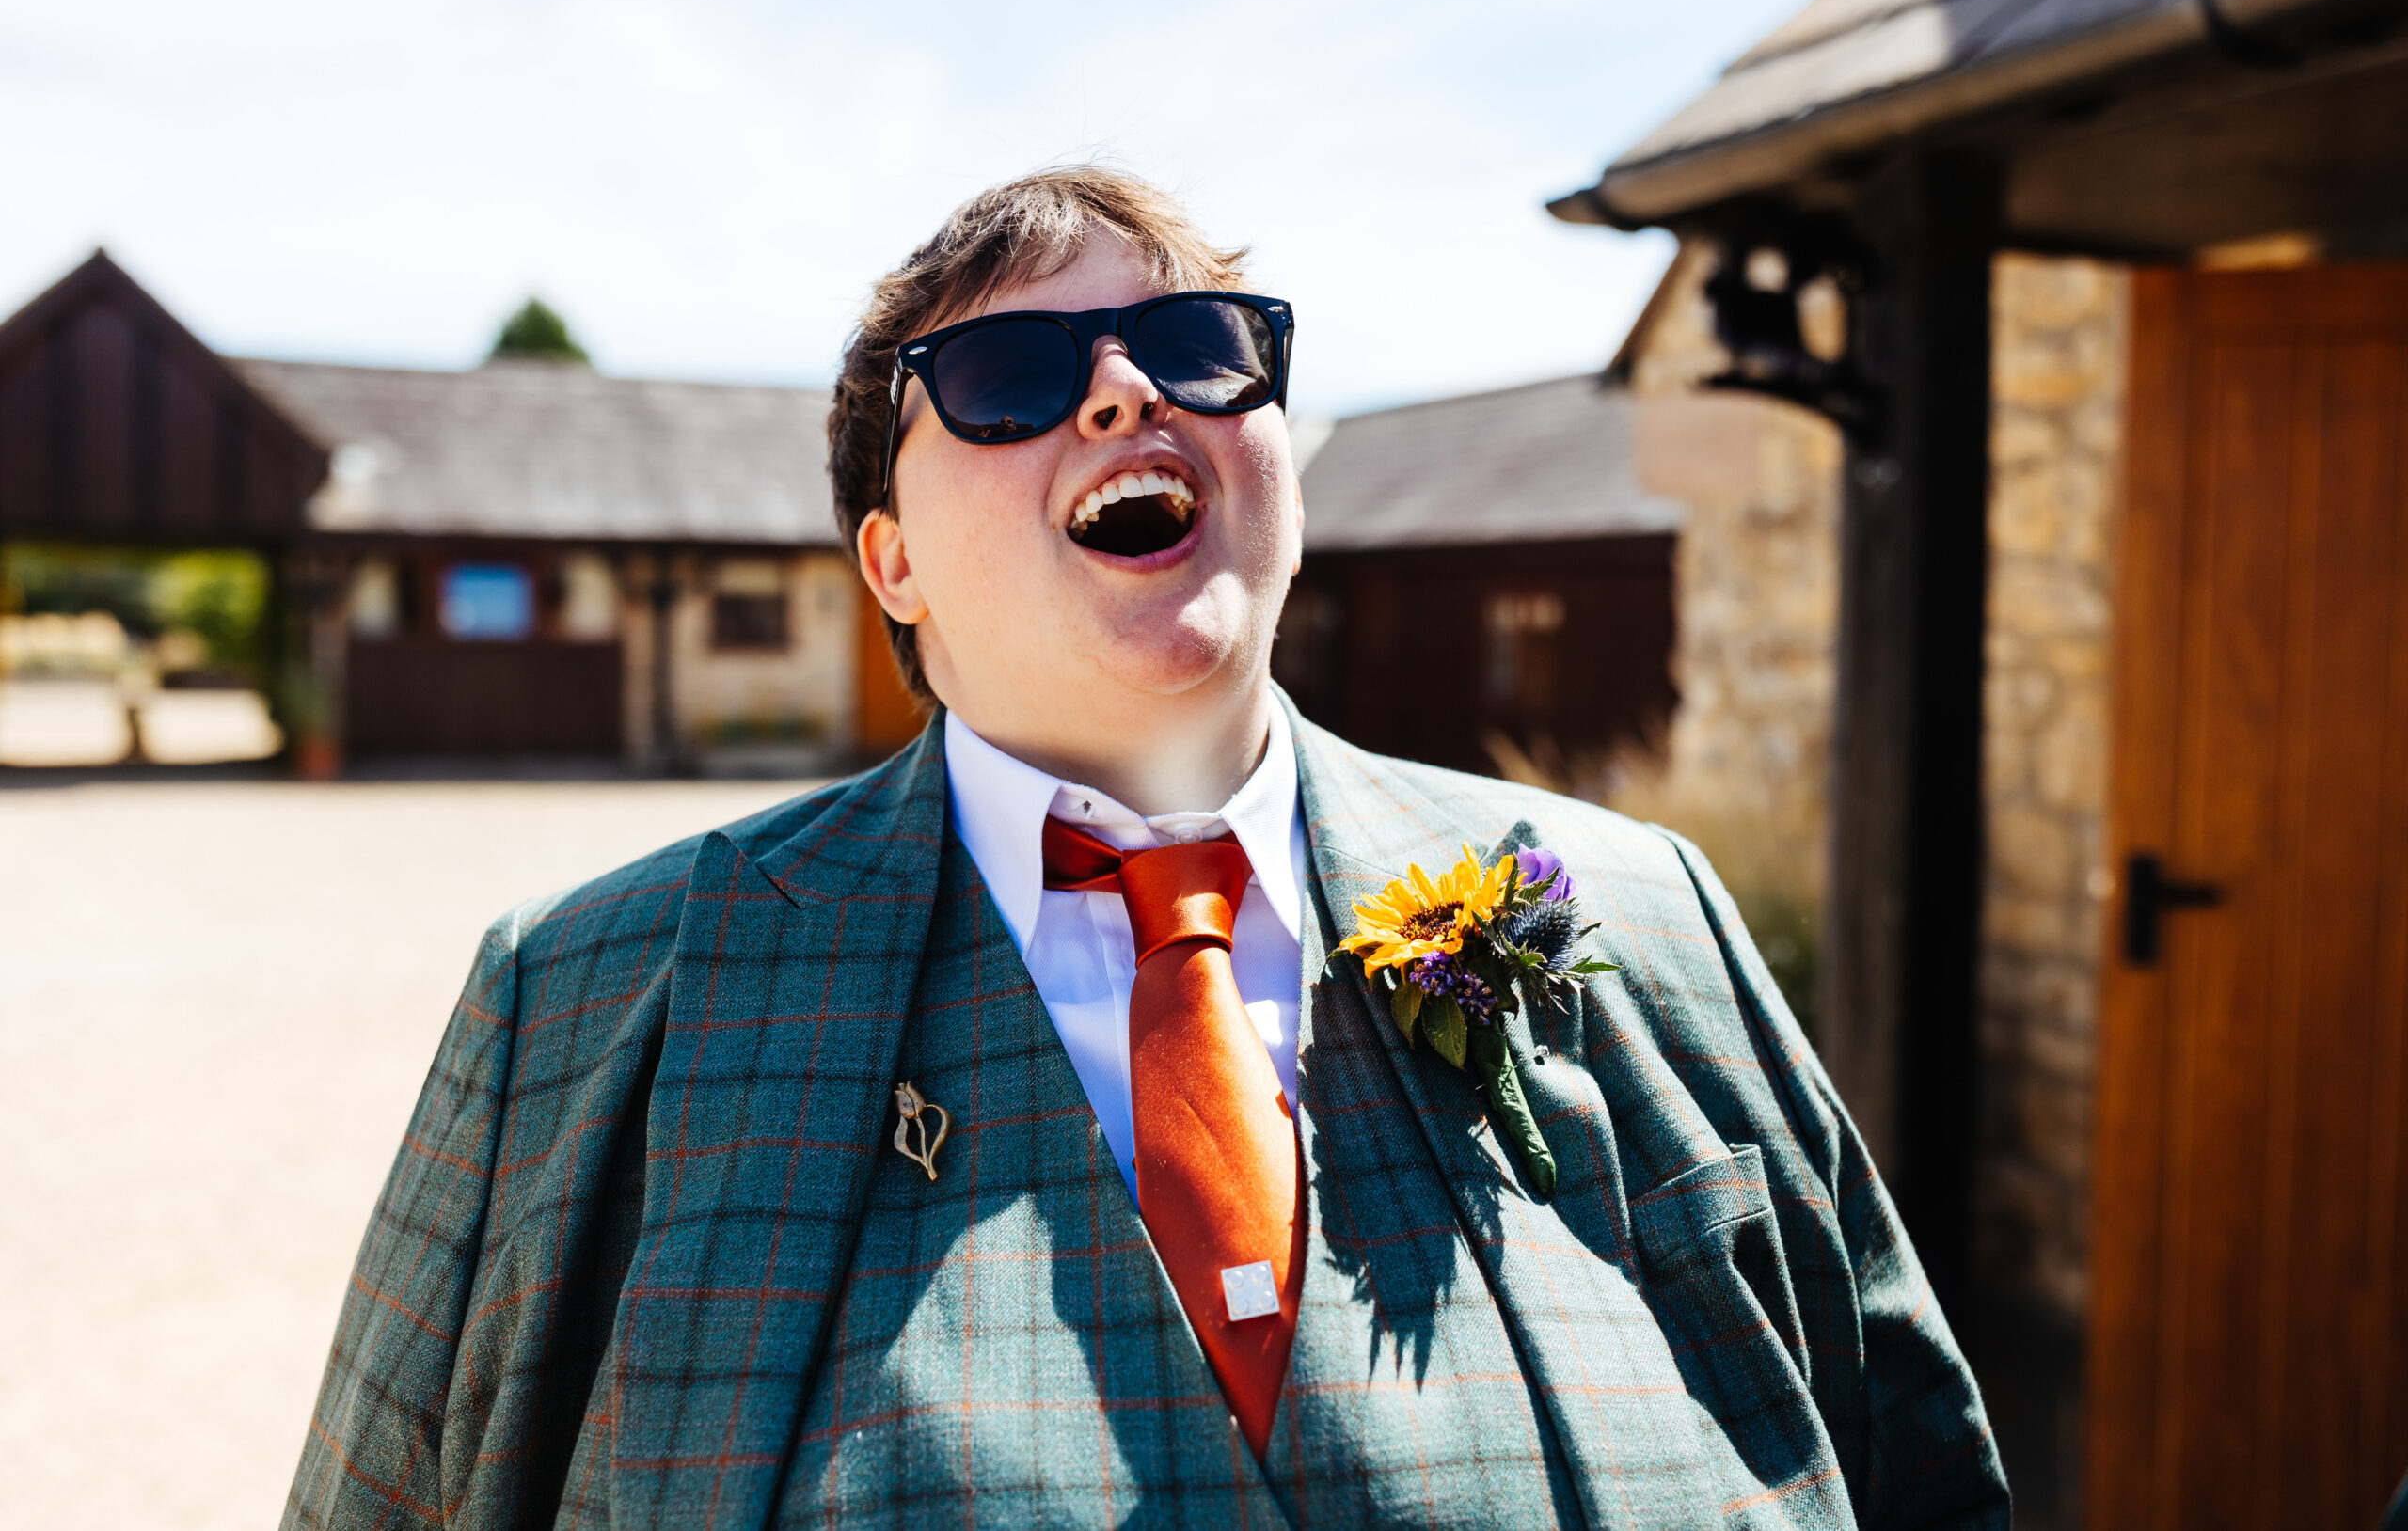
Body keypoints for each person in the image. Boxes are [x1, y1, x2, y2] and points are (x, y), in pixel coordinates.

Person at [285, 166, 2009, 1529]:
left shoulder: (1643, 913)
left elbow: (1912, 1467)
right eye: (1007, 377)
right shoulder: (587, 1001)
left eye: (1197, 348)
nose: (1122, 391)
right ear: (892, 565)